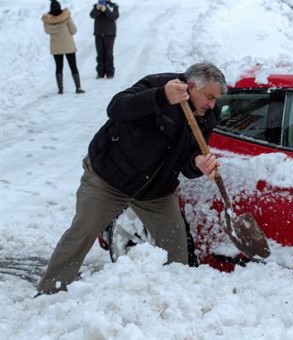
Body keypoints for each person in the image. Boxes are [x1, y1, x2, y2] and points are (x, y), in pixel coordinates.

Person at [36, 62, 226, 295]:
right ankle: (48, 292)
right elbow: (116, 108)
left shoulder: (208, 114)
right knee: (82, 232)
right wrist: (160, 97)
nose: (212, 104)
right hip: (110, 179)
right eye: (209, 97)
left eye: (215, 100)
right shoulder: (158, 84)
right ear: (193, 85)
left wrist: (198, 163)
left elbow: (189, 156)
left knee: (176, 242)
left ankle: (175, 297)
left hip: (155, 190)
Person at [42, 0, 85, 94]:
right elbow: (73, 30)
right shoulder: (66, 17)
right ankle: (78, 88)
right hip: (68, 45)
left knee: (58, 67)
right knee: (73, 66)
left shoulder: (47, 20)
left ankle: (60, 89)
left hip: (56, 47)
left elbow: (47, 31)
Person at [90, 0, 119, 79]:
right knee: (100, 54)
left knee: (108, 54)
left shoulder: (113, 6)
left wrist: (106, 10)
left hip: (109, 34)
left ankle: (110, 72)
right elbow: (92, 15)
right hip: (98, 33)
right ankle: (100, 73)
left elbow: (115, 16)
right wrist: (97, 9)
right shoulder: (96, 6)